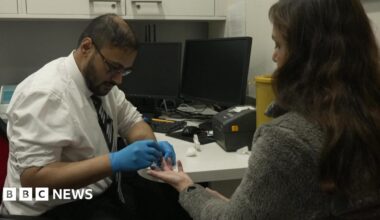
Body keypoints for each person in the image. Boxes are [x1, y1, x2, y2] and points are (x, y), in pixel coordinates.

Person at [148, 0, 380, 219]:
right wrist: (238, 208)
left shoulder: (286, 139)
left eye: (279, 44)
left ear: (306, 55)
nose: (274, 56)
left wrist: (187, 188)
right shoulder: (366, 117)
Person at [0, 14, 178, 219]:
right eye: (113, 68)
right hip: (46, 209)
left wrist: (151, 148)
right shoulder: (45, 94)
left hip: (92, 195)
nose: (119, 79)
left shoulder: (101, 84)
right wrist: (114, 161)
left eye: (125, 71)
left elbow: (133, 122)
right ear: (86, 47)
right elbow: (34, 179)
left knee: (167, 202)